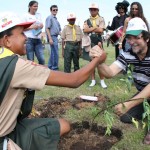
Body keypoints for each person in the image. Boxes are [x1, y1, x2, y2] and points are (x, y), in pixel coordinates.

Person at [0, 11, 106, 150]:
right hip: (3, 136)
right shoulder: (16, 65)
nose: (26, 37)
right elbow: (74, 80)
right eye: (21, 33)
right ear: (7, 40)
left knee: (63, 125)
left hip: (10, 127)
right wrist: (98, 60)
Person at [98, 17, 150, 144]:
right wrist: (98, 61)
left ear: (147, 38)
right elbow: (109, 73)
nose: (132, 42)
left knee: (129, 107)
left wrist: (129, 103)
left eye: (137, 37)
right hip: (144, 93)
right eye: (129, 37)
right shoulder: (128, 54)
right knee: (126, 117)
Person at [83, 2, 107, 88]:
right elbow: (85, 30)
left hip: (98, 41)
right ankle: (93, 80)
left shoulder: (101, 19)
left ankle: (102, 81)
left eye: (94, 9)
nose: (92, 11)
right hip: (90, 41)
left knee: (99, 61)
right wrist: (95, 28)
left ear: (97, 10)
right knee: (91, 62)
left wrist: (90, 29)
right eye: (91, 9)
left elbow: (101, 30)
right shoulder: (86, 20)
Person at [24, 1, 45, 65]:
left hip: (38, 39)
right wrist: (32, 27)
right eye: (34, 6)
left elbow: (41, 25)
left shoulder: (39, 15)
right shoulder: (25, 16)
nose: (36, 8)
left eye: (37, 6)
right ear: (29, 7)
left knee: (42, 59)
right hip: (29, 40)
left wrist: (41, 26)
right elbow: (22, 29)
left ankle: (41, 73)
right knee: (31, 60)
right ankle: (32, 74)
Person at [45, 5, 61, 70]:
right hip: (52, 36)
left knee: (53, 53)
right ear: (51, 10)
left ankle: (50, 66)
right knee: (55, 53)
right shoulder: (50, 18)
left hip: (56, 37)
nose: (55, 11)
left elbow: (59, 31)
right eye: (53, 10)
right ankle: (54, 68)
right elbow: (47, 28)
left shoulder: (56, 20)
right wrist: (50, 38)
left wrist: (64, 37)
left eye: (56, 10)